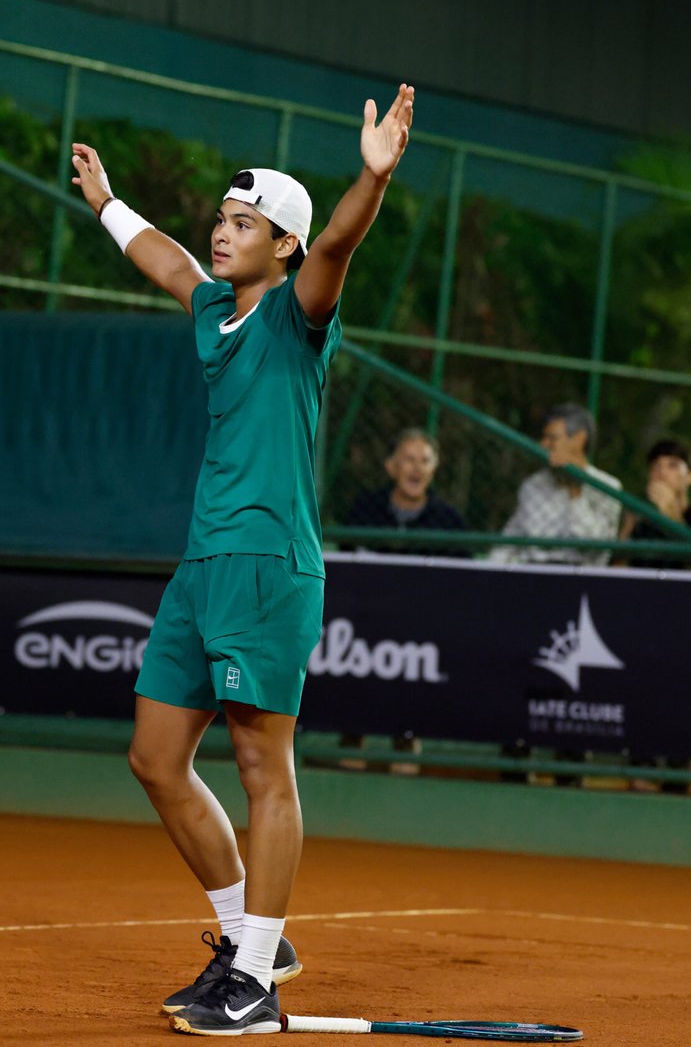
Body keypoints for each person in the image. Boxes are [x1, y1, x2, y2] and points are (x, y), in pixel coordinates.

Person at [70, 83, 416, 1037]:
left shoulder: (299, 313)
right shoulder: (212, 308)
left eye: (244, 221)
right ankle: (249, 942)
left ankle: (254, 977)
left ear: (285, 245)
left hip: (269, 564)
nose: (223, 232)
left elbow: (340, 242)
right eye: (223, 217)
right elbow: (167, 260)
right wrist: (106, 202)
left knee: (265, 765)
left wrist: (372, 177)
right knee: (154, 756)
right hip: (203, 563)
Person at [488, 403, 622, 565]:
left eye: (552, 438)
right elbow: (510, 541)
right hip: (532, 575)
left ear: (579, 439)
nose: (543, 445)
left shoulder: (607, 487)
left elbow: (593, 546)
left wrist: (575, 492)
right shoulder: (533, 485)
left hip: (580, 578)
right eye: (543, 438)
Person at [344, 427, 468, 554]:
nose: (417, 468)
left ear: (433, 470)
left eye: (425, 461)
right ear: (391, 467)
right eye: (409, 459)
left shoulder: (449, 522)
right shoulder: (364, 511)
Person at [618, 438, 691, 567]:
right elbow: (618, 571)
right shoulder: (641, 519)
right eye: (655, 466)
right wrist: (627, 530)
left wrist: (673, 518)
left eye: (673, 466)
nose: (662, 473)